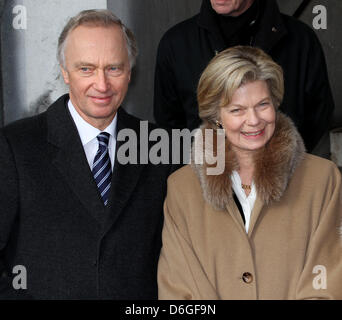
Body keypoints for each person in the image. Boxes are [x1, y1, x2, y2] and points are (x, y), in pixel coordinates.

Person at [0, 9, 173, 299]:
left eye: (114, 68)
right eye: (86, 69)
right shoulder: (15, 146)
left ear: (130, 71)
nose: (102, 85)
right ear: (64, 71)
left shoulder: (160, 145)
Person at [158, 46, 342, 300]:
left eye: (262, 105)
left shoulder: (323, 179)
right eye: (237, 110)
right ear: (216, 117)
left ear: (275, 104)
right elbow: (179, 291)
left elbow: (328, 281)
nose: (254, 120)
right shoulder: (182, 188)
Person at [154, 0, 334, 152]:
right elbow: (170, 125)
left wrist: (282, 164)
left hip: (287, 180)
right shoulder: (176, 44)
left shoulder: (301, 40)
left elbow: (318, 114)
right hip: (208, 182)